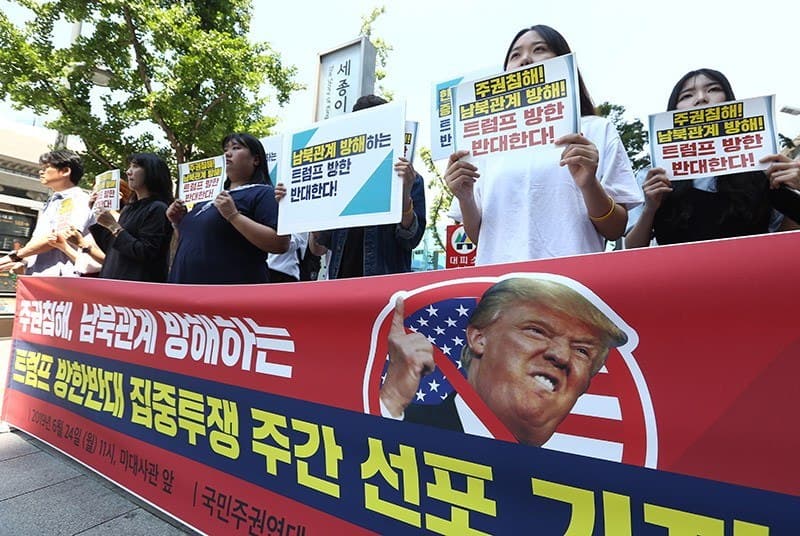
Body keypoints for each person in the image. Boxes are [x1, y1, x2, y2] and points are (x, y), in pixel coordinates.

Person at [445, 25, 642, 265]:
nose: (526, 59)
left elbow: (615, 229)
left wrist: (589, 185)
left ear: (564, 61)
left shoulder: (595, 130)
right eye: (515, 55)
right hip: (502, 287)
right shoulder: (481, 143)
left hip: (571, 286)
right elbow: (482, 239)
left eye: (539, 49)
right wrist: (465, 198)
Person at [380, 277, 628, 447]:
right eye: (537, 331)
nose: (562, 356)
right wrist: (391, 398)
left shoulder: (583, 486)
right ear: (479, 338)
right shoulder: (399, 420)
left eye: (582, 351)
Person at [625, 68, 800, 248]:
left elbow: (785, 243)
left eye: (713, 89)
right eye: (686, 96)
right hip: (678, 275)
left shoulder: (763, 167)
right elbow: (631, 250)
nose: (701, 98)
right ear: (673, 110)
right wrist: (650, 209)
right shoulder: (653, 176)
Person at [290, 94, 426, 279]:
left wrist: (403, 195)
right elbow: (321, 245)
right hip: (342, 285)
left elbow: (411, 239)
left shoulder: (410, 178)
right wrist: (308, 206)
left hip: (384, 288)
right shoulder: (339, 176)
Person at [167, 133, 289, 284]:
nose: (227, 153)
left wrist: (234, 216)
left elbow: (280, 243)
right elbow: (194, 243)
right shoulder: (207, 198)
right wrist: (178, 222)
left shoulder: (263, 193)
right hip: (185, 290)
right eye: (225, 149)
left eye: (236, 148)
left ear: (255, 160)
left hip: (228, 294)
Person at [0, 149, 93, 275]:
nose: (41, 171)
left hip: (61, 279)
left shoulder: (79, 199)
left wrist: (15, 256)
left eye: (46, 167)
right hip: (39, 275)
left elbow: (59, 237)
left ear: (65, 171)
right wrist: (23, 261)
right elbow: (38, 238)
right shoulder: (52, 201)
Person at [88, 153, 174, 282]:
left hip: (138, 287)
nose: (128, 172)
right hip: (114, 282)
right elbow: (113, 249)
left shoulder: (158, 208)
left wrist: (113, 226)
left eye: (135, 167)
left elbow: (146, 252)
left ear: (152, 173)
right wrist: (97, 214)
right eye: (129, 167)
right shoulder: (129, 208)